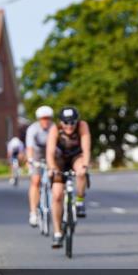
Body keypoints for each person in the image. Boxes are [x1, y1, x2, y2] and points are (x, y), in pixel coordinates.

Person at [46, 106, 92, 249]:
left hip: (76, 157)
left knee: (81, 171)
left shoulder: (82, 126)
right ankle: (58, 232)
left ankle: (79, 200)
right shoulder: (55, 129)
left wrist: (85, 166)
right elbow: (49, 152)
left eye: (72, 122)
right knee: (57, 195)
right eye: (66, 123)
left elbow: (86, 149)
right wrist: (52, 168)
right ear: (61, 122)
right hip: (60, 159)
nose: (70, 126)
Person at [25, 106, 55, 227]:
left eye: (48, 118)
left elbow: (58, 146)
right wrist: (30, 161)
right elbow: (29, 147)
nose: (45, 121)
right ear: (39, 119)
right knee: (35, 181)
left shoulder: (54, 128)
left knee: (55, 177)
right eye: (43, 119)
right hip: (37, 153)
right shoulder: (33, 129)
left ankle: (55, 204)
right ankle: (33, 212)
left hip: (51, 152)